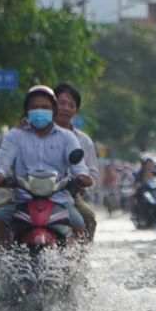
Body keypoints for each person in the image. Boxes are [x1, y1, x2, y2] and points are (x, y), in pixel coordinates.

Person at [0, 85, 92, 253]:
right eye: (34, 107)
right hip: (22, 201)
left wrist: (82, 176)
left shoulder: (67, 137)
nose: (40, 111)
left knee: (79, 225)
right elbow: (3, 158)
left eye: (45, 107)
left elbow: (78, 164)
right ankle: (4, 264)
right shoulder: (16, 136)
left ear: (54, 110)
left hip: (60, 201)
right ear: (27, 111)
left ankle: (76, 269)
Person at [53, 82, 99, 240]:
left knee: (88, 218)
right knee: (0, 217)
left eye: (71, 105)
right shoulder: (31, 133)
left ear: (76, 111)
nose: (65, 108)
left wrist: (81, 185)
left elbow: (92, 173)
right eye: (61, 103)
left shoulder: (83, 141)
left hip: (69, 195)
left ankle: (79, 260)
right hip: (30, 193)